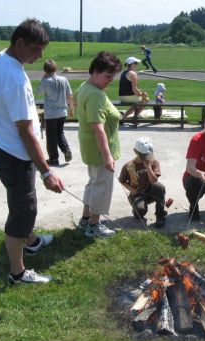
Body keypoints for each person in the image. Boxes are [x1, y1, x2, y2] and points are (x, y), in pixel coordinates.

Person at [0, 19, 64, 285]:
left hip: (3, 149)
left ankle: (32, 241)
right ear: (20, 43)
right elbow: (27, 133)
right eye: (36, 49)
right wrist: (47, 172)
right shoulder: (16, 78)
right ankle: (18, 273)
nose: (40, 56)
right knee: (23, 211)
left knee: (19, 202)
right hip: (16, 156)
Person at [76, 51, 122, 238]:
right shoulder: (95, 95)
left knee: (93, 183)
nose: (110, 80)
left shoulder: (85, 87)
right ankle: (94, 226)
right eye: (107, 76)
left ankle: (86, 219)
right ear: (95, 71)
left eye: (113, 76)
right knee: (101, 186)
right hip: (99, 150)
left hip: (91, 147)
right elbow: (98, 128)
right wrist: (107, 156)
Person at [119, 137, 166, 228]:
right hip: (138, 194)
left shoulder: (153, 161)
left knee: (159, 187)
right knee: (140, 213)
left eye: (147, 155)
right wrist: (131, 189)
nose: (146, 158)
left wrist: (148, 167)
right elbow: (122, 180)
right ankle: (136, 209)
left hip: (151, 191)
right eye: (143, 156)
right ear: (135, 151)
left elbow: (154, 181)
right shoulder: (129, 166)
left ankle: (160, 216)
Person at [37, 58, 74, 166]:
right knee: (60, 133)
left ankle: (54, 158)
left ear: (45, 70)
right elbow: (70, 95)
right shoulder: (64, 79)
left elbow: (39, 92)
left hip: (51, 113)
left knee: (51, 136)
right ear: (55, 68)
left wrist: (43, 79)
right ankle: (66, 149)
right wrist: (71, 108)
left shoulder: (46, 81)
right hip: (62, 111)